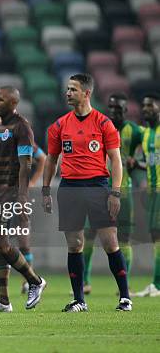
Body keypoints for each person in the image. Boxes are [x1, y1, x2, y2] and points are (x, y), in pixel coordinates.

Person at [42, 73, 131, 312]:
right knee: (75, 245)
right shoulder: (59, 125)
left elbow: (116, 160)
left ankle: (125, 297)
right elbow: (51, 160)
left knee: (110, 242)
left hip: (98, 186)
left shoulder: (103, 123)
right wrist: (45, 190)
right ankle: (79, 299)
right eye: (67, 89)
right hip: (69, 187)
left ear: (86, 93)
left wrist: (115, 192)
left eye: (73, 89)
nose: (68, 93)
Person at [0, 86, 47, 313]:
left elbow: (26, 165)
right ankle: (3, 301)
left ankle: (35, 281)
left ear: (13, 103)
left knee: (2, 242)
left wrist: (22, 196)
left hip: (10, 195)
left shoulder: (21, 128)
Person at [82, 93, 141, 295]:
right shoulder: (97, 126)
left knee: (123, 238)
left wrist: (137, 162)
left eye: (118, 108)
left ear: (125, 110)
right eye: (111, 107)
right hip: (98, 190)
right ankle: (85, 281)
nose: (114, 111)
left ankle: (124, 285)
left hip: (123, 191)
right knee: (88, 234)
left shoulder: (134, 131)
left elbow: (150, 152)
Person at [132, 93, 160, 297]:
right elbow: (152, 161)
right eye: (143, 105)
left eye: (150, 105)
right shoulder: (147, 133)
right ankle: (156, 284)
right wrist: (137, 164)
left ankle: (157, 284)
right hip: (152, 191)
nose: (145, 109)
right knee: (155, 237)